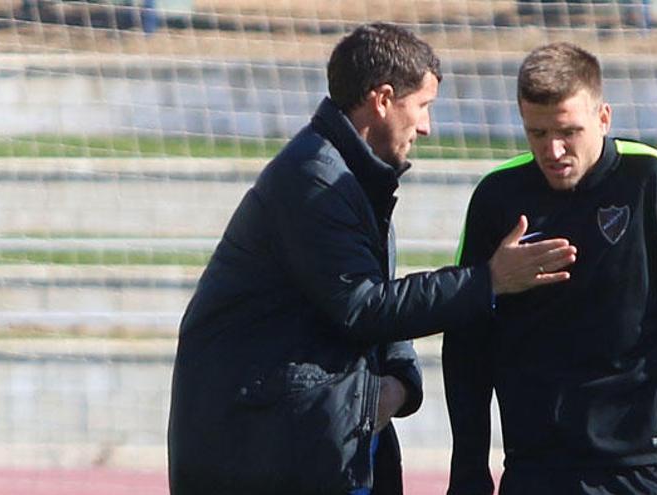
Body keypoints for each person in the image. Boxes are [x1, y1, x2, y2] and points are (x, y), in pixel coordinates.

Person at [167, 23, 577, 495]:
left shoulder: (352, 176)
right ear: (382, 99)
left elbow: (370, 296)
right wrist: (488, 281)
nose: (426, 126)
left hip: (314, 436)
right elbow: (361, 305)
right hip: (267, 449)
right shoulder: (315, 182)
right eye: (422, 107)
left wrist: (400, 380)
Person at [443, 42, 657, 495]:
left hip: (642, 470)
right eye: (536, 133)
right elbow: (467, 343)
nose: (553, 149)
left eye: (568, 131)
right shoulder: (497, 197)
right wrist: (468, 473)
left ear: (603, 117)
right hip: (535, 469)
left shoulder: (653, 182)